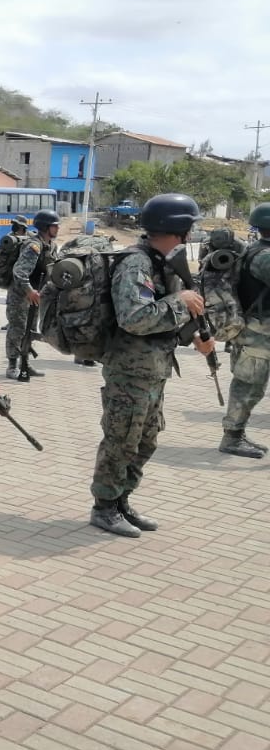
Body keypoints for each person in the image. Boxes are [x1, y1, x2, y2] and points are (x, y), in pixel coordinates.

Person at [90, 192, 213, 538]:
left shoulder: (161, 262)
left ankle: (122, 501)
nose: (190, 235)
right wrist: (180, 301)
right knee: (121, 440)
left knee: (146, 441)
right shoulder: (136, 263)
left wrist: (193, 335)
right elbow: (134, 317)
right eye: (189, 228)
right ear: (178, 229)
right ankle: (104, 507)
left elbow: (163, 316)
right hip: (130, 371)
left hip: (153, 369)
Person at [219, 203, 270, 457]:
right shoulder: (264, 256)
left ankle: (236, 434)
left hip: (259, 331)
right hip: (258, 334)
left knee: (253, 386)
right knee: (248, 385)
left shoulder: (256, 250)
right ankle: (232, 438)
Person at [5, 208, 59, 381]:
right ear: (45, 227)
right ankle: (12, 365)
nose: (57, 229)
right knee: (17, 329)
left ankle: (25, 364)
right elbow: (19, 271)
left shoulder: (51, 246)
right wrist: (29, 290)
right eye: (54, 226)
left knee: (30, 330)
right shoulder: (33, 246)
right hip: (21, 295)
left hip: (35, 296)